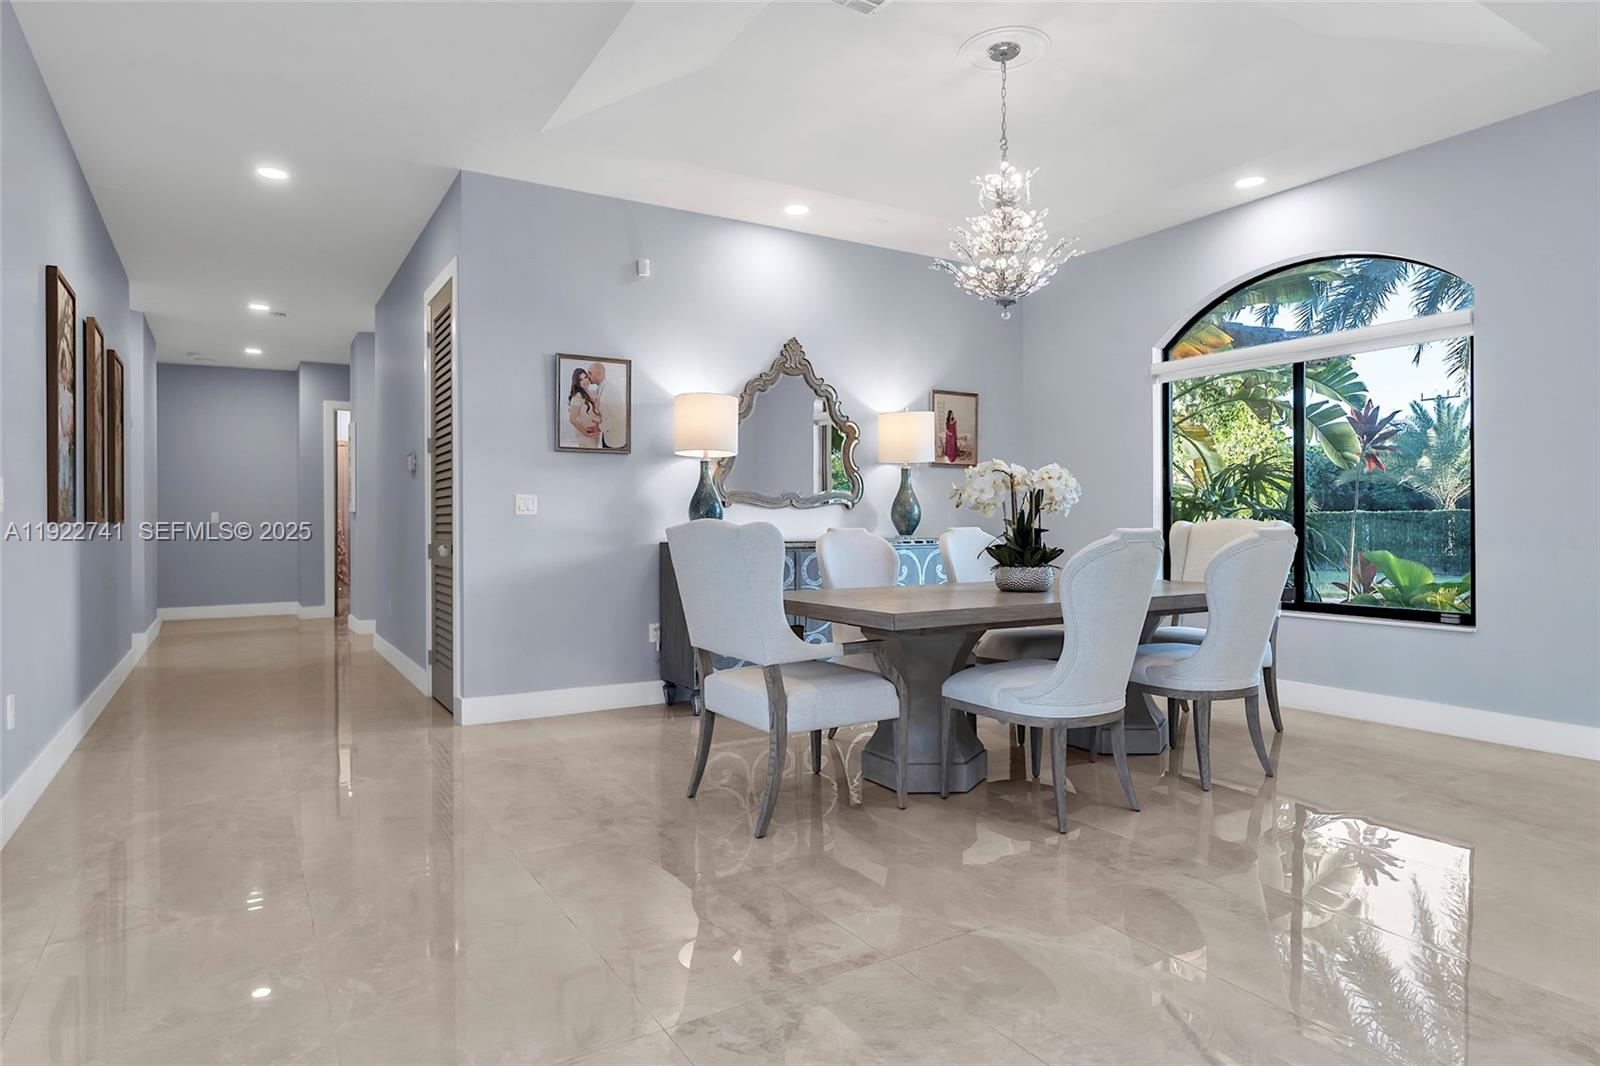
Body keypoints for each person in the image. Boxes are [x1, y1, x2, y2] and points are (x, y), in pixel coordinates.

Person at [589, 360, 628, 450]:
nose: (588, 376)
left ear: (598, 374)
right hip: (608, 438)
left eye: (590, 373)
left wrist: (599, 428)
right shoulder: (601, 389)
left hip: (615, 442)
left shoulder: (610, 390)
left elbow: (618, 417)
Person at [566, 367, 602, 448]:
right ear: (577, 382)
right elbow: (572, 419)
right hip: (585, 436)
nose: (585, 381)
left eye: (585, 377)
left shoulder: (592, 392)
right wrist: (586, 433)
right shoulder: (577, 396)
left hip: (595, 433)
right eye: (580, 380)